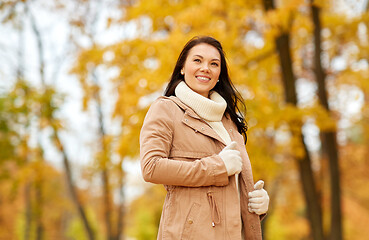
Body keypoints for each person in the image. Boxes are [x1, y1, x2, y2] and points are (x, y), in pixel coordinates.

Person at [140, 36, 269, 240]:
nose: (205, 68)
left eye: (214, 64)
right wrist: (217, 167)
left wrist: (256, 205)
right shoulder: (166, 109)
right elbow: (151, 167)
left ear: (219, 74)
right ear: (182, 67)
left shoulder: (230, 122)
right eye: (197, 60)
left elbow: (229, 190)